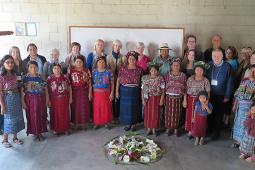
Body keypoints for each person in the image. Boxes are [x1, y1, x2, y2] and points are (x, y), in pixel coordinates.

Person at [206, 49, 233, 140]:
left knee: (218, 115)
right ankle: (209, 130)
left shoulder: (227, 66)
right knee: (209, 114)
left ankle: (216, 133)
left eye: (218, 56)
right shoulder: (208, 65)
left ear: (222, 56)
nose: (216, 58)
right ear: (212, 57)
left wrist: (227, 95)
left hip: (221, 95)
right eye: (214, 56)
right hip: (209, 94)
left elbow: (230, 82)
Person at [0, 55, 25, 148]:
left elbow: (20, 86)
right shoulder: (1, 76)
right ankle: (5, 139)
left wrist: (22, 100)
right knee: (8, 120)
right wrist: (2, 105)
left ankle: (15, 138)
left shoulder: (15, 74)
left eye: (11, 62)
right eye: (7, 62)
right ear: (3, 63)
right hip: (7, 100)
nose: (10, 64)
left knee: (17, 118)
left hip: (16, 98)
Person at [21, 61, 49, 141]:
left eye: (35, 67)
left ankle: (40, 132)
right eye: (31, 67)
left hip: (41, 99)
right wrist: (22, 102)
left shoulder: (41, 77)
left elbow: (46, 89)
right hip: (30, 100)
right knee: (32, 116)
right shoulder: (25, 78)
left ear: (37, 68)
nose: (33, 69)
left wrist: (47, 99)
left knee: (41, 115)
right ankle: (34, 132)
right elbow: (22, 91)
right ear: (28, 68)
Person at [116, 51, 143, 131]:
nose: (131, 60)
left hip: (135, 91)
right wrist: (117, 91)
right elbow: (118, 79)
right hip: (124, 91)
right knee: (126, 108)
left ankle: (134, 124)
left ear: (136, 60)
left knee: (134, 108)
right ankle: (128, 124)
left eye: (133, 59)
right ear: (127, 59)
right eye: (130, 58)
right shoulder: (123, 68)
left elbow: (142, 83)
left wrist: (141, 94)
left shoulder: (139, 70)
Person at [232, 64, 255, 148]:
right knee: (239, 123)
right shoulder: (244, 81)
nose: (252, 72)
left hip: (250, 107)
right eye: (251, 71)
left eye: (254, 71)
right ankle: (238, 141)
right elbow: (238, 94)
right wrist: (235, 105)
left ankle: (245, 143)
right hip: (240, 106)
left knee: (247, 124)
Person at [185, 62, 210, 138]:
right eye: (197, 70)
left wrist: (205, 103)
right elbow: (185, 90)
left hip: (200, 101)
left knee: (198, 117)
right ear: (194, 70)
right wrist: (184, 100)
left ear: (203, 71)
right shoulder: (190, 79)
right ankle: (190, 131)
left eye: (201, 70)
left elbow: (208, 93)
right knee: (189, 115)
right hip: (190, 99)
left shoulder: (206, 80)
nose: (199, 71)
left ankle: (197, 132)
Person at [164, 57, 187, 136]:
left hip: (179, 98)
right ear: (171, 66)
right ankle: (168, 128)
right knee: (168, 113)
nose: (176, 67)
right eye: (174, 65)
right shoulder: (167, 75)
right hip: (169, 98)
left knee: (177, 114)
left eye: (177, 65)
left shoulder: (183, 76)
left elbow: (185, 88)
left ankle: (176, 129)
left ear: (180, 66)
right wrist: (163, 98)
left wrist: (185, 99)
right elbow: (164, 88)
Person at [47, 63, 72, 135]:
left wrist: (70, 98)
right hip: (54, 99)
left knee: (65, 114)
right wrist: (48, 100)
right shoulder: (49, 79)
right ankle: (56, 129)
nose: (56, 70)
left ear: (60, 69)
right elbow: (47, 90)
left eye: (58, 68)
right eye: (54, 68)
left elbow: (69, 88)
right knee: (55, 114)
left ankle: (65, 129)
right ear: (52, 70)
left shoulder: (65, 77)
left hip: (64, 99)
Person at [69, 55, 92, 130]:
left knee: (84, 107)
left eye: (80, 62)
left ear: (83, 62)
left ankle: (83, 124)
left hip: (84, 91)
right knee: (75, 108)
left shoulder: (86, 70)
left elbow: (90, 82)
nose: (79, 63)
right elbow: (68, 83)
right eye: (77, 62)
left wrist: (89, 93)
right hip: (74, 92)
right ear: (74, 62)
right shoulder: (71, 70)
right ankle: (76, 123)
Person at [141, 65, 165, 136]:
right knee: (148, 114)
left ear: (157, 71)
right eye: (152, 70)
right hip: (147, 98)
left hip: (157, 98)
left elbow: (163, 90)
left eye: (155, 70)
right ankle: (149, 129)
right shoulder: (145, 78)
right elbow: (142, 90)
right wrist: (143, 100)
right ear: (150, 71)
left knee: (156, 114)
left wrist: (161, 99)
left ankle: (154, 129)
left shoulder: (160, 78)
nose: (153, 72)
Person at [106, 40, 126, 121]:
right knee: (112, 97)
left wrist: (119, 77)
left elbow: (124, 68)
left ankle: (118, 115)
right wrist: (113, 75)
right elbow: (107, 68)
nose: (117, 47)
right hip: (111, 80)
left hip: (120, 80)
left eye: (119, 46)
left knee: (119, 96)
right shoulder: (108, 57)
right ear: (113, 46)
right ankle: (112, 115)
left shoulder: (123, 57)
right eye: (116, 45)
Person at [92, 57, 114, 129]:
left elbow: (112, 83)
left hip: (106, 93)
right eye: (99, 62)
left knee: (106, 108)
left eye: (103, 62)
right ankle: (97, 122)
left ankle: (106, 122)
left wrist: (112, 93)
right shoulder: (94, 71)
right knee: (97, 108)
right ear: (97, 63)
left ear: (105, 63)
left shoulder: (109, 72)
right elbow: (90, 82)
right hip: (96, 93)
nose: (101, 64)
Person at [224, 46, 239, 128]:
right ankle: (224, 120)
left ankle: (227, 121)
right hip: (224, 85)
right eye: (227, 52)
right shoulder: (225, 61)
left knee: (228, 103)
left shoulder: (234, 62)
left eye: (230, 53)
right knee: (225, 104)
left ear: (233, 54)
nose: (228, 54)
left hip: (230, 84)